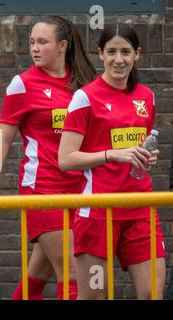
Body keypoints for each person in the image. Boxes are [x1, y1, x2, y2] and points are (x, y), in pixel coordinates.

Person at [0, 16, 95, 300]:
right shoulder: (22, 84)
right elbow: (4, 140)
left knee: (39, 274)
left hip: (82, 190)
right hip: (43, 189)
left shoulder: (85, 84)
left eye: (42, 42)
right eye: (32, 42)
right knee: (73, 272)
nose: (34, 48)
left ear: (62, 46)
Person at [58, 23, 166, 299]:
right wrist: (112, 154)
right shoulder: (85, 97)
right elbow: (66, 159)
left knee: (151, 293)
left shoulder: (146, 96)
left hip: (140, 207)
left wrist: (146, 157)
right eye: (112, 52)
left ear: (137, 54)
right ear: (101, 55)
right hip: (97, 212)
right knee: (94, 296)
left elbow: (136, 148)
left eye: (126, 52)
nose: (119, 59)